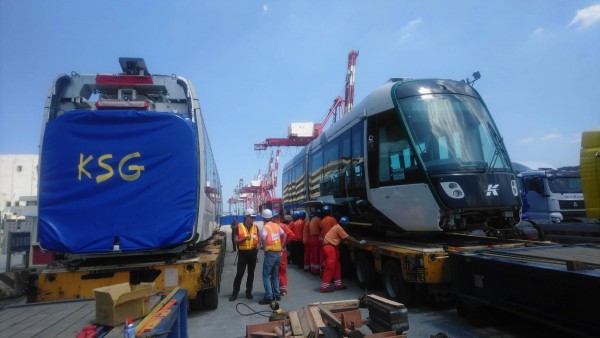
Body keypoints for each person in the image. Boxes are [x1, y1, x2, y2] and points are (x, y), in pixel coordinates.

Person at [320, 216, 364, 293]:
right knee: (330, 266)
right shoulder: (339, 228)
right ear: (346, 224)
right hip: (330, 247)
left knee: (337, 266)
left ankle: (338, 285)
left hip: (332, 247)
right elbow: (348, 237)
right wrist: (358, 242)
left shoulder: (337, 227)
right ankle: (324, 288)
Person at [229, 208, 259, 301]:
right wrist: (243, 239)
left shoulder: (256, 227)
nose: (253, 219)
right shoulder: (239, 227)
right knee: (240, 273)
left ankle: (248, 291)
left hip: (253, 253)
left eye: (254, 217)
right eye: (251, 217)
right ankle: (235, 292)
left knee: (251, 273)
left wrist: (259, 245)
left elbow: (258, 239)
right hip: (243, 254)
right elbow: (236, 241)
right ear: (246, 217)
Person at [258, 208, 287, 305]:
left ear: (263, 218)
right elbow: (285, 235)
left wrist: (265, 249)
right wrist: (281, 247)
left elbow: (263, 238)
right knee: (275, 275)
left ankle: (269, 297)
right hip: (278, 253)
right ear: (270, 217)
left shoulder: (265, 227)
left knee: (265, 275)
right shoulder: (276, 225)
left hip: (270, 253)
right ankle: (277, 295)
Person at [273, 210, 295, 296]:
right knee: (281, 269)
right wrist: (284, 244)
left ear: (276, 218)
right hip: (281, 250)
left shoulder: (275, 226)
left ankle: (279, 289)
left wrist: (284, 244)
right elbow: (291, 235)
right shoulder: (282, 226)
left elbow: (291, 235)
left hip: (276, 251)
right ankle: (281, 289)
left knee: (277, 269)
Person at [319, 205, 337, 275]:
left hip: (325, 242)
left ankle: (323, 272)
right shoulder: (333, 219)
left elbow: (321, 228)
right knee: (332, 260)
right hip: (332, 243)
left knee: (325, 259)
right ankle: (331, 275)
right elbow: (336, 228)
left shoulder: (322, 221)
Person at [308, 209, 322, 275]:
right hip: (316, 238)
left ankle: (312, 269)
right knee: (316, 254)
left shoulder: (312, 219)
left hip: (311, 238)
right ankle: (316, 270)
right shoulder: (318, 219)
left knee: (312, 254)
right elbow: (322, 227)